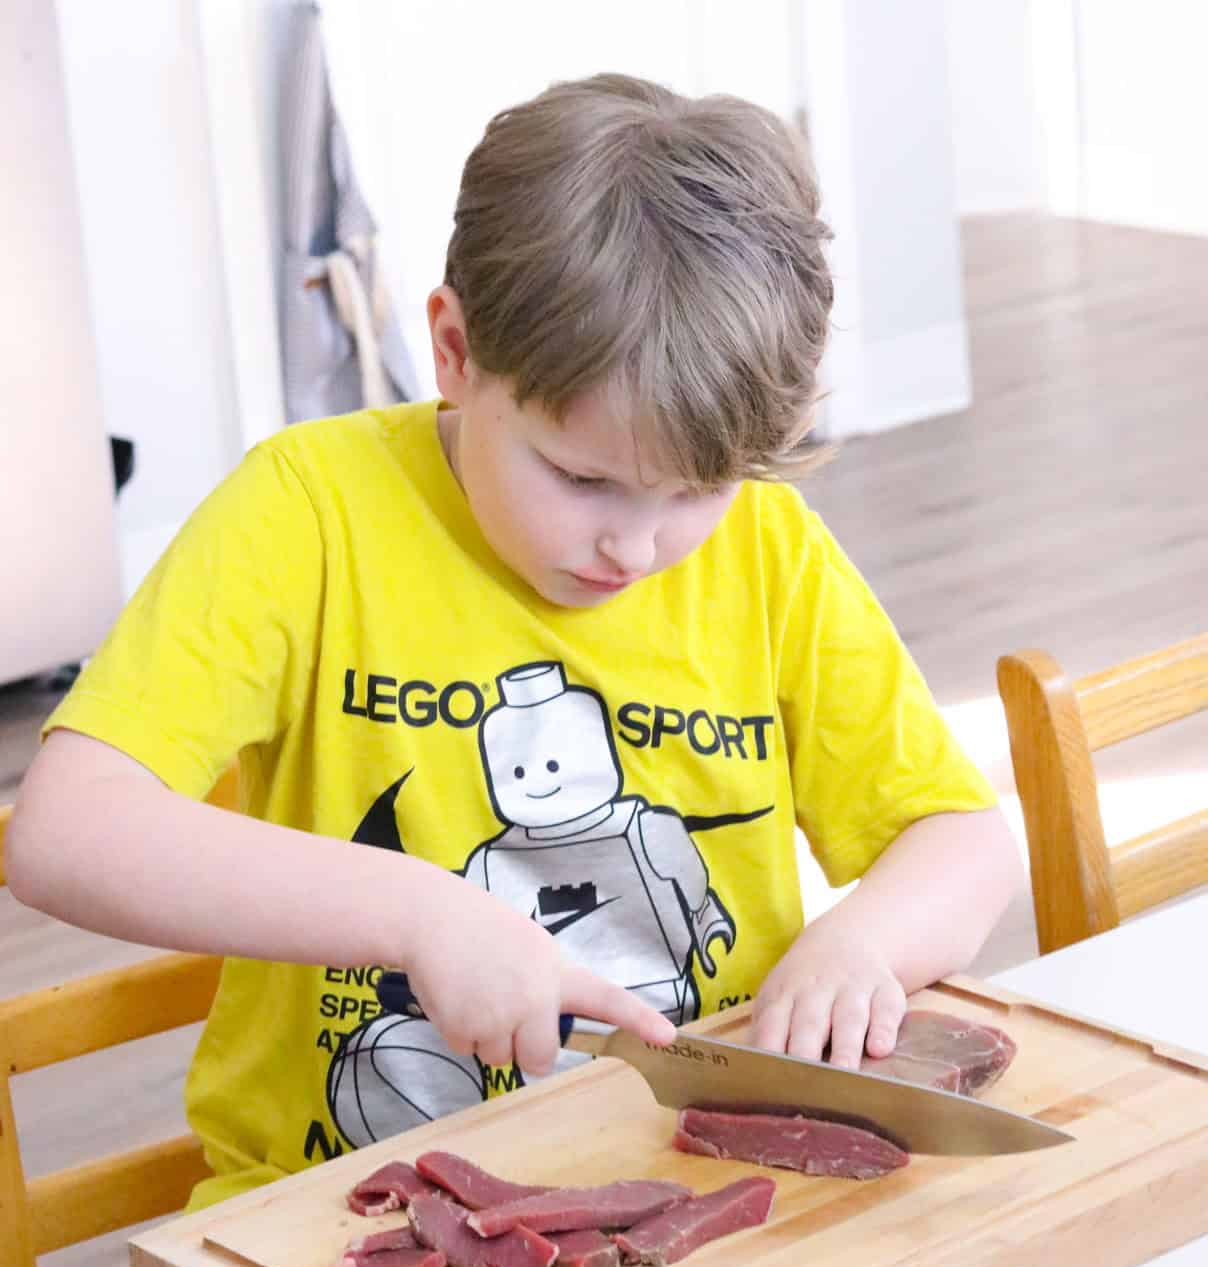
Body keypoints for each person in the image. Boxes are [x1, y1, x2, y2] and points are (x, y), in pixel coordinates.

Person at [6, 74, 1020, 1210]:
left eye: (697, 491)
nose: (634, 548)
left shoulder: (770, 554)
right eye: (580, 477)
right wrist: (422, 915)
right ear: (453, 350)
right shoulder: (308, 514)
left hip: (687, 1190)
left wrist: (860, 946)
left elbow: (964, 843)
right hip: (338, 1206)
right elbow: (64, 831)